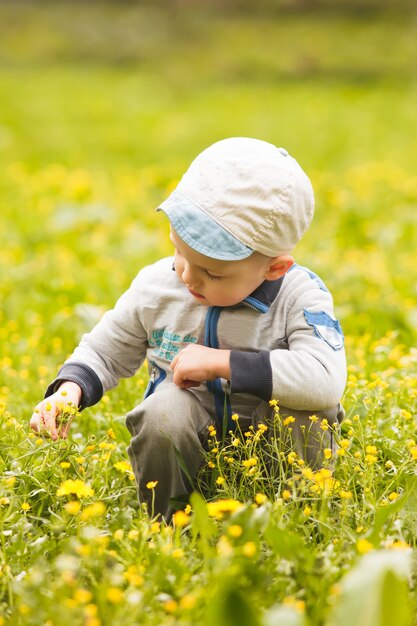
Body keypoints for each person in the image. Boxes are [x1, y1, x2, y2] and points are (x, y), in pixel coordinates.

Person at [30, 137, 347, 521]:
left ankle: (298, 516)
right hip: (191, 430)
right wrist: (70, 391)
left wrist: (225, 363)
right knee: (164, 412)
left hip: (272, 440)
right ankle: (168, 523)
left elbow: (325, 379)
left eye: (212, 272)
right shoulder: (157, 286)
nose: (186, 276)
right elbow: (105, 350)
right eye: (179, 251)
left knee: (306, 412)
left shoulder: (300, 297)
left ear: (274, 268)